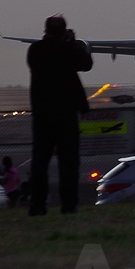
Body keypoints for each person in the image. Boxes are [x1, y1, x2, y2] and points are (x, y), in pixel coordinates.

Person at [27, 14, 94, 215]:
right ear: (64, 30)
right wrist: (72, 42)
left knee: (40, 163)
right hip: (66, 114)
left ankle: (37, 205)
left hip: (43, 114)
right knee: (69, 163)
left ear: (45, 30)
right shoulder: (69, 49)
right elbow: (86, 64)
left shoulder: (35, 50)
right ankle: (69, 205)